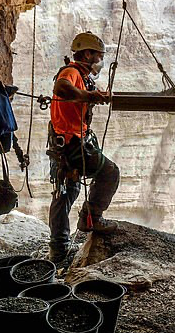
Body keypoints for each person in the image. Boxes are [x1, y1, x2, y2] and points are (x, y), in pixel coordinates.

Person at [46, 31, 120, 264]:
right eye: (98, 56)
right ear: (87, 53)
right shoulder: (71, 72)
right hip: (72, 145)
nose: (99, 61)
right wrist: (89, 96)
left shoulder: (81, 75)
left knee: (68, 192)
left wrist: (93, 95)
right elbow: (62, 89)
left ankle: (59, 248)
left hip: (65, 143)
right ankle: (92, 216)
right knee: (109, 172)